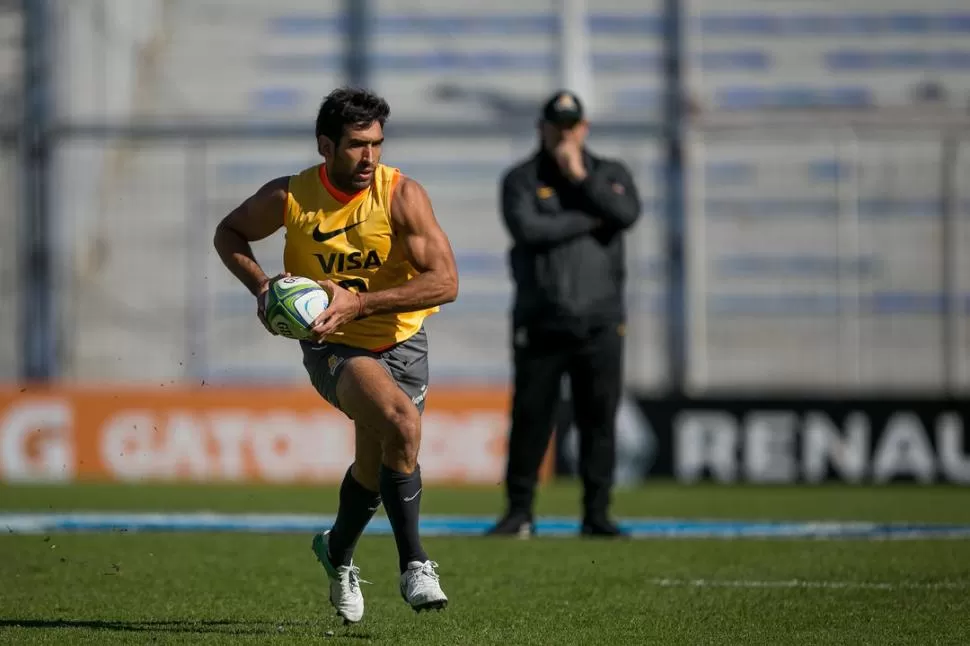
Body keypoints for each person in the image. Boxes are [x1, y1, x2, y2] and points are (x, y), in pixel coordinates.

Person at [213, 87, 458, 624]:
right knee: (402, 424)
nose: (370, 157)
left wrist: (362, 302)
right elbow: (228, 231)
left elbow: (446, 282)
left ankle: (337, 551)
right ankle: (415, 563)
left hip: (403, 342)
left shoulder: (402, 195)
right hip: (334, 346)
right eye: (356, 145)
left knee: (375, 464)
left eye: (377, 144)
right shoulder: (290, 197)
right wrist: (260, 287)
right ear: (325, 145)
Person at [486, 90, 641, 539]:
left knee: (599, 419)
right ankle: (519, 512)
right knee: (532, 419)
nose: (564, 133)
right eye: (556, 125)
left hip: (601, 321)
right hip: (541, 320)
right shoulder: (521, 178)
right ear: (542, 127)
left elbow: (626, 213)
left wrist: (580, 178)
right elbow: (529, 229)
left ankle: (597, 513)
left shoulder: (610, 173)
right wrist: (592, 218)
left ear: (584, 128)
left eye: (571, 125)